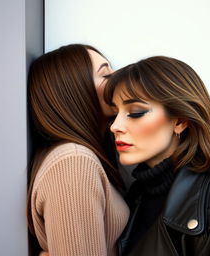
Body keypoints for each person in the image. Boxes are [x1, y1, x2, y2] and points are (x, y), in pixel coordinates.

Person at [104, 56, 210, 255]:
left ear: (180, 121)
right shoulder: (136, 194)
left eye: (135, 112)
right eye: (114, 114)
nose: (115, 126)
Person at [27, 44, 130, 256]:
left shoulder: (79, 157)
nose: (118, 79)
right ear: (74, 92)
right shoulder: (73, 163)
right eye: (106, 74)